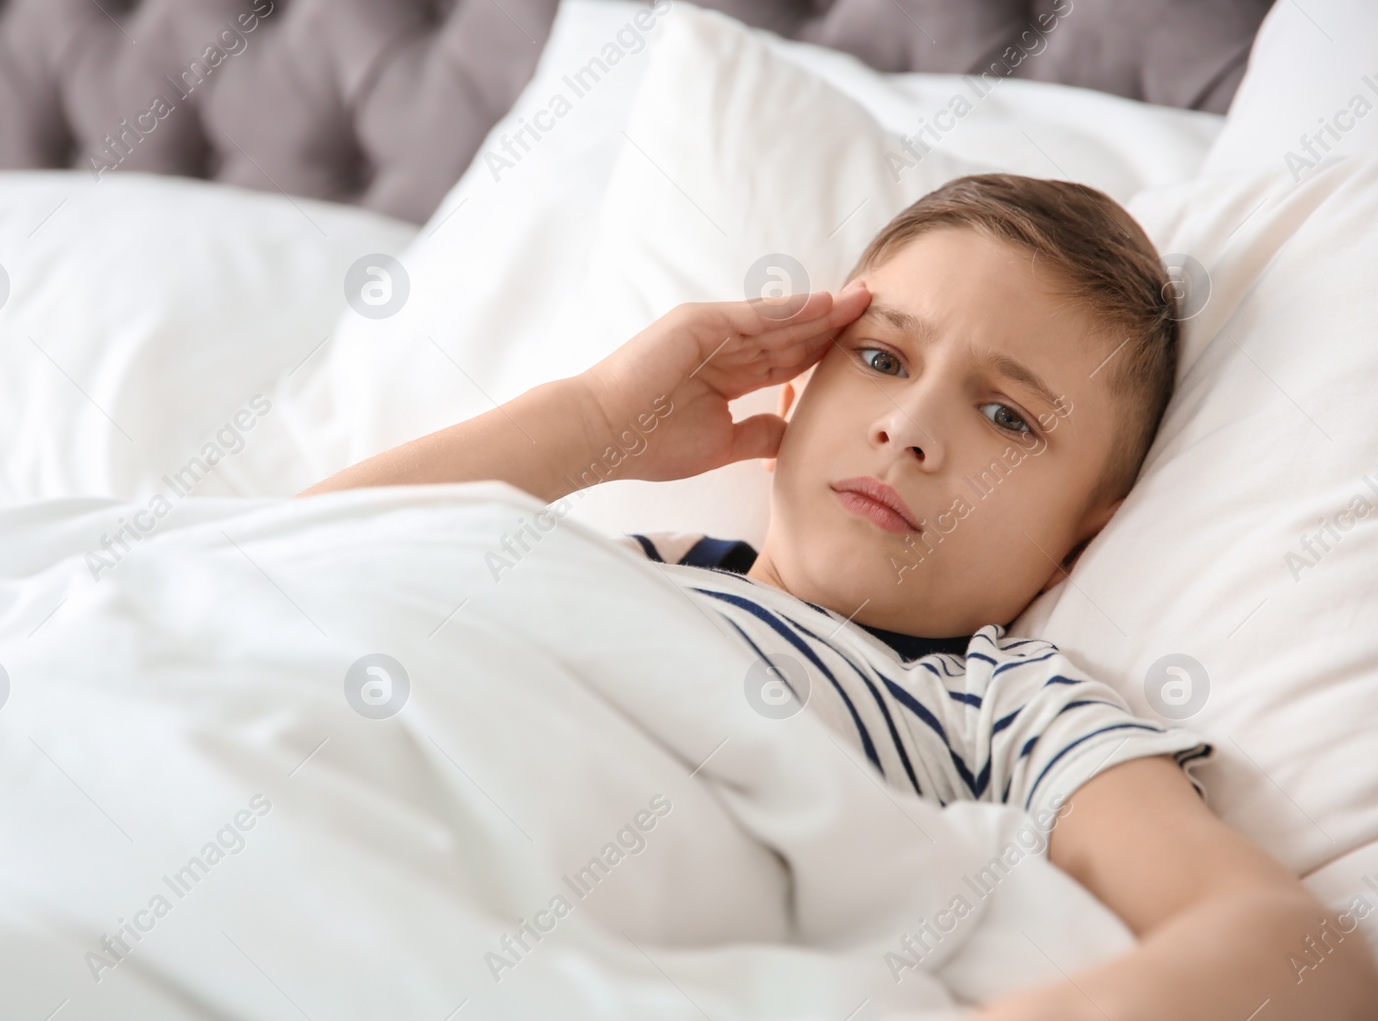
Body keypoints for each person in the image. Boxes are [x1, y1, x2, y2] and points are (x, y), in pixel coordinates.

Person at [302, 174, 1378, 1019]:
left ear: (1079, 535)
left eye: (1008, 418)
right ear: (796, 381)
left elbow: (1288, 948)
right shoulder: (623, 563)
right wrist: (595, 418)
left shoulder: (1000, 704)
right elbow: (266, 559)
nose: (908, 425)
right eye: (877, 355)